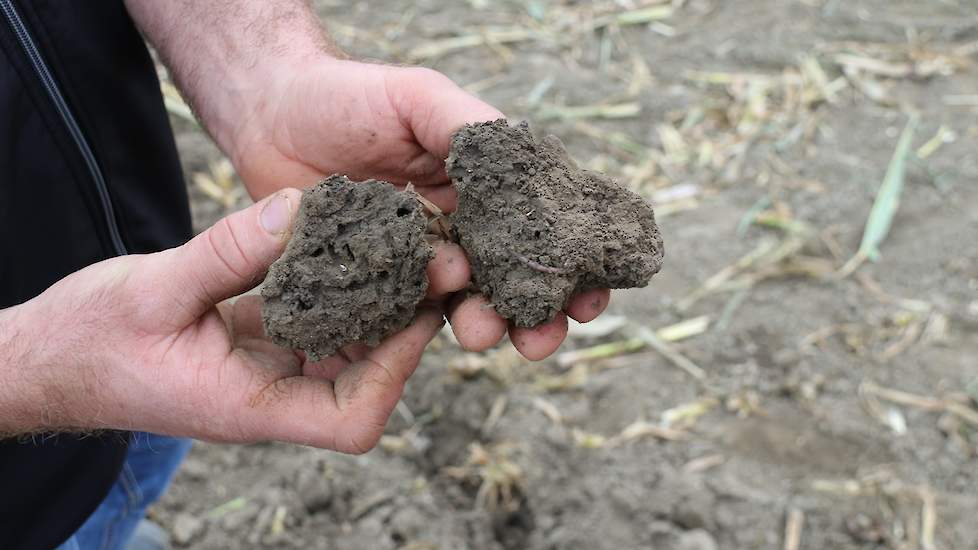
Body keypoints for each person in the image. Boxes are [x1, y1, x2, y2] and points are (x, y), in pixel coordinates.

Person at [0, 1, 611, 548]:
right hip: (23, 488)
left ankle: (114, 522)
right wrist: (33, 369)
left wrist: (267, 78)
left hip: (159, 311)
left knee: (133, 481)